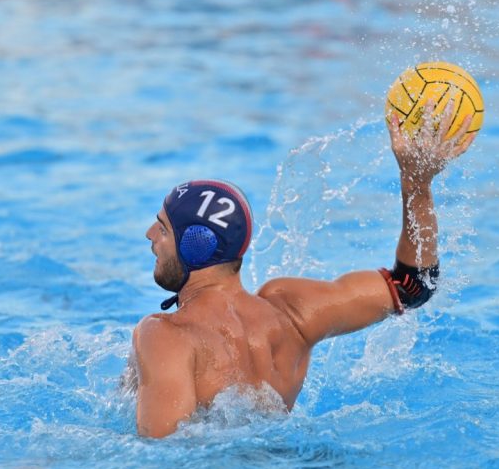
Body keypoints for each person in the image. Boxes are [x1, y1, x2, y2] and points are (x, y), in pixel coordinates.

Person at [129, 100, 476, 438]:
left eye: (162, 228)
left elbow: (162, 453)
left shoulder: (164, 335)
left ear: (197, 243)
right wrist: (415, 184)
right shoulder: (292, 312)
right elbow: (413, 285)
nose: (149, 235)